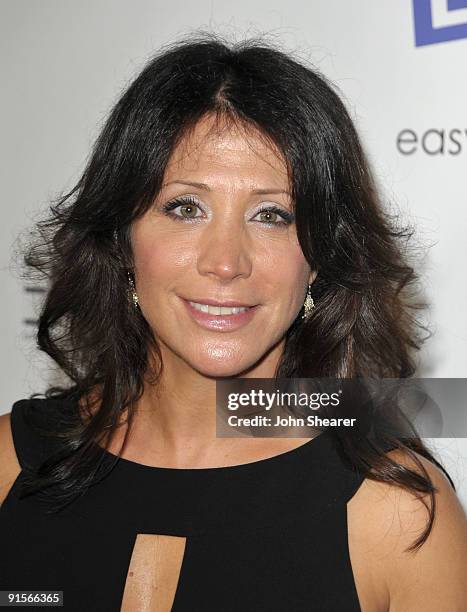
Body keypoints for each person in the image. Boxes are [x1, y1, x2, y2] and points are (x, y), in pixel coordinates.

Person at [0, 33, 466, 612]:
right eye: (186, 208)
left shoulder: (396, 517)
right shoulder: (7, 466)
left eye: (272, 215)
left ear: (320, 261)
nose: (225, 263)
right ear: (122, 241)